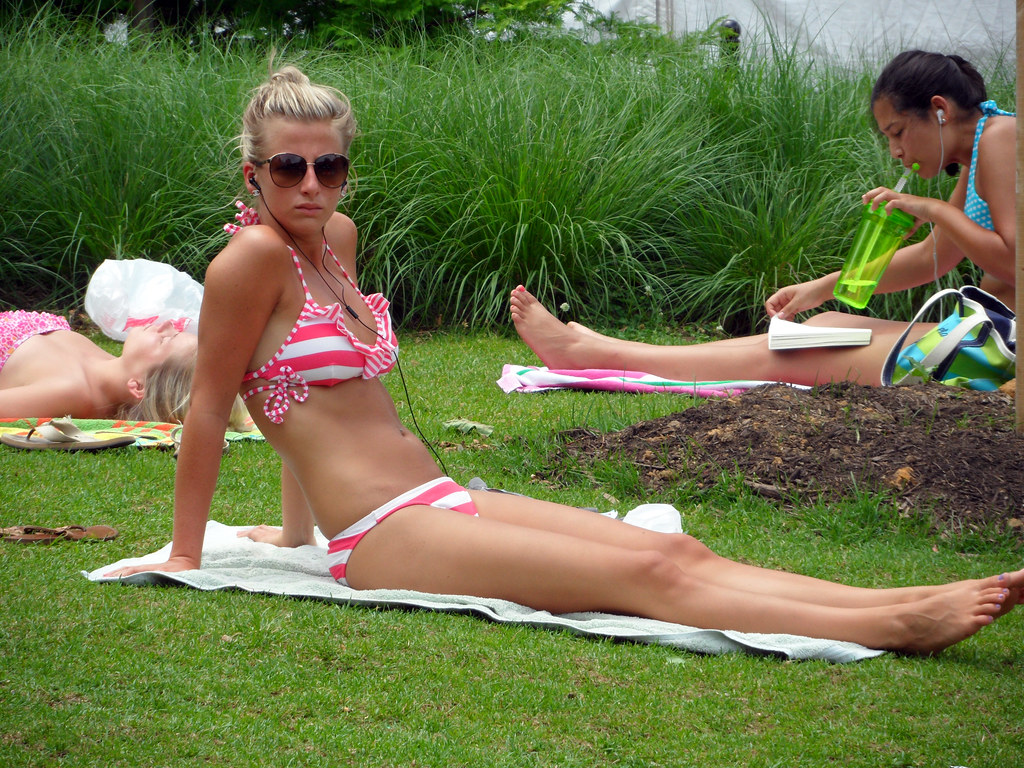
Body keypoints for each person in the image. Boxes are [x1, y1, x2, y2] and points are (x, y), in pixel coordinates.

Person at [107, 64, 1023, 655]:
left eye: (329, 167)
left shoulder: (335, 239)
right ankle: (897, 625)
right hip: (381, 535)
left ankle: (890, 594)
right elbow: (216, 404)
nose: (312, 186)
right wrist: (187, 552)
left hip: (437, 495)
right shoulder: (248, 261)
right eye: (288, 169)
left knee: (673, 548)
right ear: (253, 175)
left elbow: (314, 391)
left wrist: (291, 533)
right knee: (646, 580)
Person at [510, 51, 1015, 388]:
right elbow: (934, 258)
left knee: (794, 356)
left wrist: (932, 210)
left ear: (939, 110)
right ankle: (605, 347)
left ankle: (602, 355)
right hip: (982, 330)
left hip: (996, 348)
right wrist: (821, 287)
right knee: (828, 323)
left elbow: (1014, 264)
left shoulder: (1000, 138)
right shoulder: (979, 151)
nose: (896, 152)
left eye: (898, 132)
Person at [0, 311, 197, 421]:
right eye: (176, 331)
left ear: (138, 386)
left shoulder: (71, 391)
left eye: (165, 340)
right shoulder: (107, 364)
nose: (167, 325)